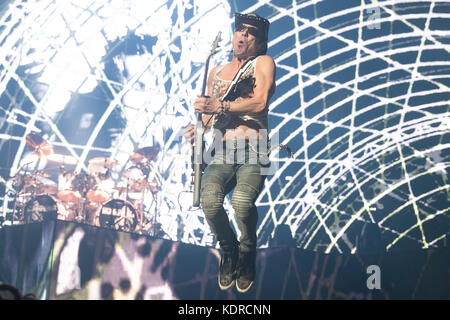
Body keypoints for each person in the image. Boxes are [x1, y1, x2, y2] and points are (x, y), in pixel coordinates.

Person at [183, 12, 275, 293]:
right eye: (240, 30)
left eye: (250, 33)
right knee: (209, 200)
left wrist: (218, 108)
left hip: (255, 147)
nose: (243, 36)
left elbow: (259, 102)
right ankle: (229, 249)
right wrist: (197, 127)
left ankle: (248, 252)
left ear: (259, 43)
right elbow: (213, 118)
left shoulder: (263, 62)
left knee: (243, 203)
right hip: (222, 147)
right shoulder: (216, 72)